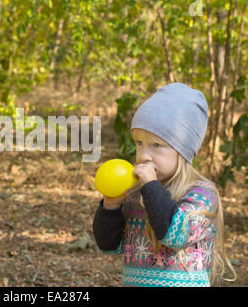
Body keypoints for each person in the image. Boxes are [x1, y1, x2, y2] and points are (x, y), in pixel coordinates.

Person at [93, 83, 236, 287]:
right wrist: (111, 206)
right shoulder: (138, 194)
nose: (143, 155)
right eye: (139, 143)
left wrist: (151, 186)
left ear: (183, 150)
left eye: (156, 145)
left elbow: (175, 236)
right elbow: (109, 245)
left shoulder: (202, 194)